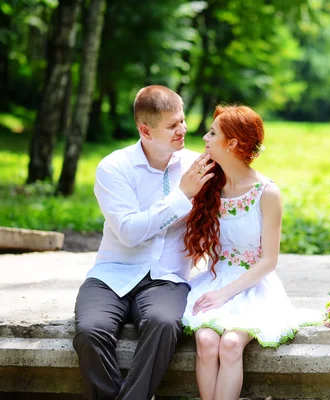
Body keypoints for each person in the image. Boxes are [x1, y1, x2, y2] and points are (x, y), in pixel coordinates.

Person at [72, 85, 215, 400]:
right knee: (89, 332)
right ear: (145, 130)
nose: (183, 129)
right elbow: (129, 231)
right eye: (172, 125)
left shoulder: (198, 166)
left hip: (167, 278)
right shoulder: (114, 167)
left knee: (164, 324)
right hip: (112, 273)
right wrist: (182, 196)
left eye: (182, 120)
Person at [181, 105, 317, 400]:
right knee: (205, 341)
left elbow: (269, 261)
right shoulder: (208, 184)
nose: (204, 137)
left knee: (230, 344)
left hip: (253, 285)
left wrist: (224, 294)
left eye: (212, 132)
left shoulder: (266, 192)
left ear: (232, 144)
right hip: (216, 278)